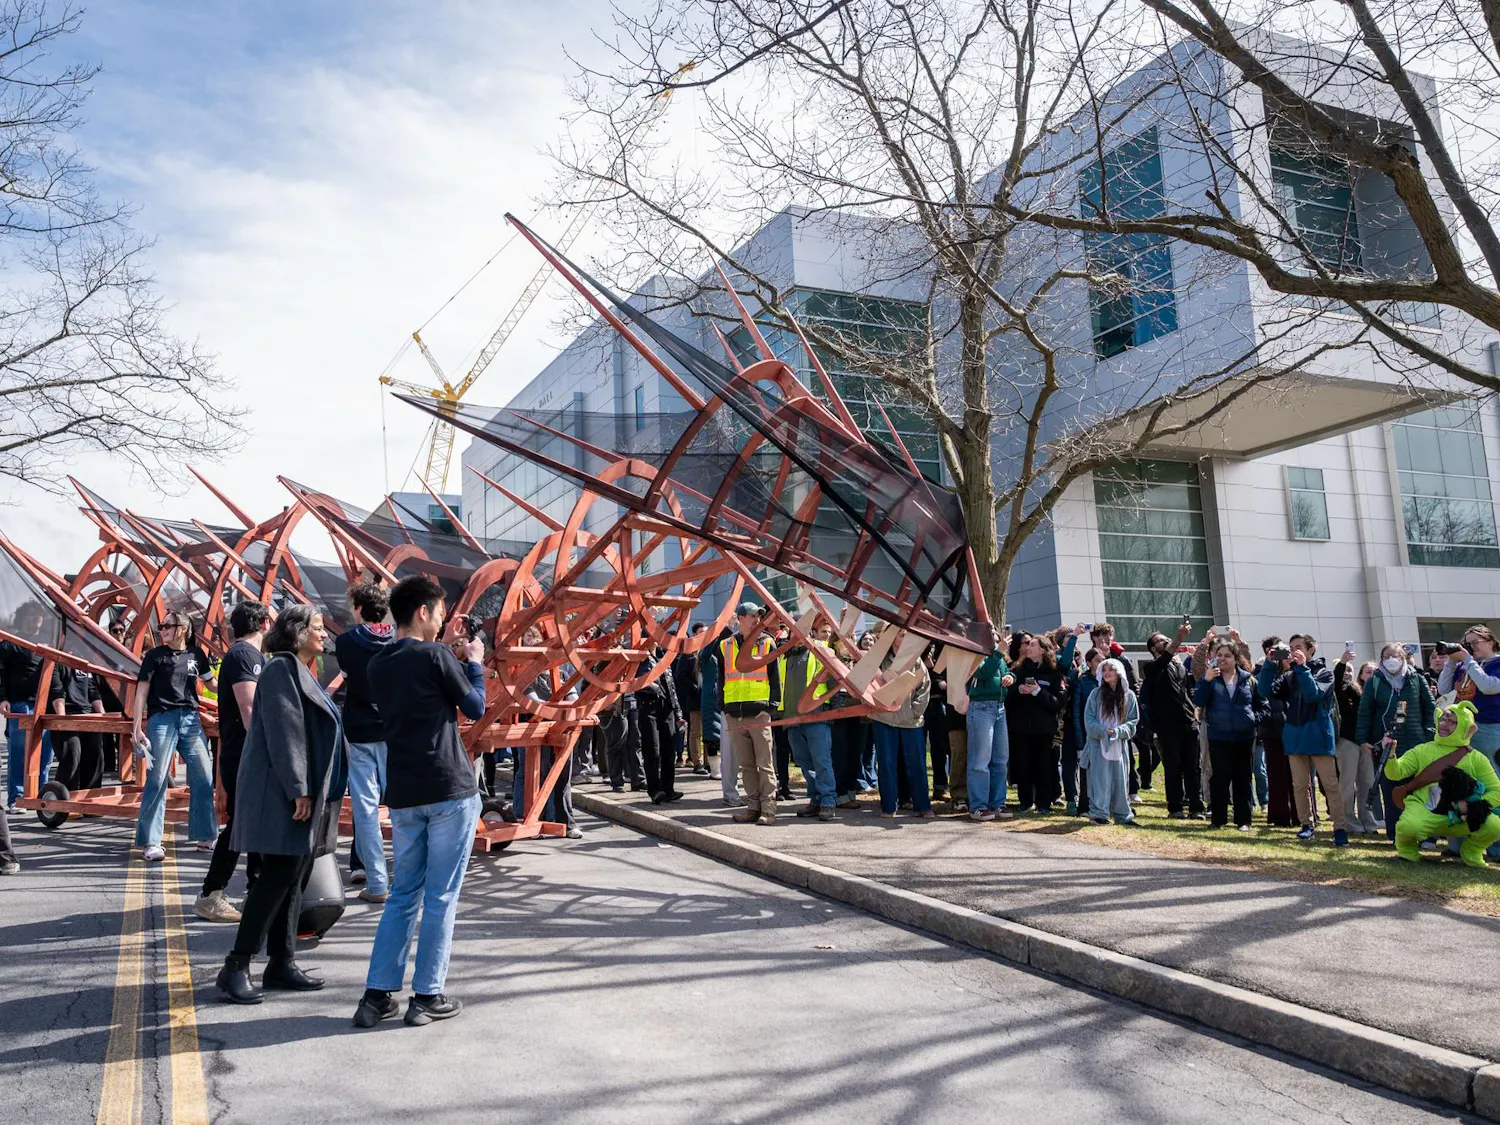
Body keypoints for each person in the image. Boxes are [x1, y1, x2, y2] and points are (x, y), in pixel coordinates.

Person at [354, 574, 485, 1029]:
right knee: (442, 895)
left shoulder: (378, 665)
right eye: (440, 612)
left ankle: (377, 995)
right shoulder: (437, 656)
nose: (444, 620)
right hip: (449, 787)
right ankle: (427, 995)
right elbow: (475, 708)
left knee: (403, 894)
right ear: (424, 611)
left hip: (405, 793)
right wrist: (474, 663)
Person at [215, 606, 343, 1005]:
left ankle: (281, 962)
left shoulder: (299, 669)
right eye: (318, 629)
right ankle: (235, 965)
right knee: (275, 878)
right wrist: (299, 788)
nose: (324, 636)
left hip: (294, 791)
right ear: (296, 632)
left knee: (292, 877)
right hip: (282, 792)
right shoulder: (280, 670)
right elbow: (287, 733)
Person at [194, 601, 270, 923]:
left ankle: (257, 889)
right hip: (246, 756)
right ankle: (211, 894)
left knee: (252, 824)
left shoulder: (245, 656)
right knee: (240, 825)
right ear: (265, 624)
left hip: (244, 754)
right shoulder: (245, 657)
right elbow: (249, 708)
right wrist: (270, 750)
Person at [131, 613, 216, 862]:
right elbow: (141, 692)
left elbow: (211, 685)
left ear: (183, 628)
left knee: (204, 775)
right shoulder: (155, 656)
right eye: (161, 626)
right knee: (157, 778)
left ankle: (205, 836)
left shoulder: (197, 655)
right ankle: (151, 841)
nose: (162, 630)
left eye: (168, 626)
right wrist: (137, 727)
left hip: (190, 718)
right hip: (162, 719)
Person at [1257, 634, 1350, 846]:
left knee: (1330, 785)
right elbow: (1264, 691)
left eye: (1298, 647)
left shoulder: (1324, 673)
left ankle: (1340, 828)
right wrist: (1271, 664)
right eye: (1290, 648)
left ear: (1311, 650)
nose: (1293, 651)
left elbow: (1313, 695)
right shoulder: (1289, 676)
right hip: (1295, 736)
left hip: (1318, 736)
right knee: (1299, 785)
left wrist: (1301, 668)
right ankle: (1306, 824)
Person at [1385, 701, 1500, 867]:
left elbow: (1497, 790)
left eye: (1451, 721)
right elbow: (1395, 773)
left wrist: (1473, 805)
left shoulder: (1476, 758)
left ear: (1468, 728)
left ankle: (1471, 850)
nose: (1444, 724)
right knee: (1409, 826)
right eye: (1442, 719)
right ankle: (1407, 848)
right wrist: (1390, 756)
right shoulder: (1422, 750)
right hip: (1426, 810)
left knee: (1494, 826)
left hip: (1462, 817)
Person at [334, 581, 393, 902]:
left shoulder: (346, 642)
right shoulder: (396, 641)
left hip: (358, 731)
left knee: (366, 809)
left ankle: (377, 881)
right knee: (401, 807)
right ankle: (409, 876)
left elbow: (346, 674)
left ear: (358, 607)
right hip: (393, 730)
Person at [1357, 640, 1437, 842]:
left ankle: (1425, 835)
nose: (1391, 660)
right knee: (1391, 789)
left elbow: (1430, 708)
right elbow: (1365, 712)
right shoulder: (1375, 681)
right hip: (1386, 744)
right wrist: (1363, 739)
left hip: (1417, 742)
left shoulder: (1417, 679)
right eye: (1386, 657)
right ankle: (1396, 834)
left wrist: (1429, 732)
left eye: (1395, 656)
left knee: (1420, 788)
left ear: (1404, 658)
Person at [718, 602, 782, 826]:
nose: (757, 620)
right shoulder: (725, 645)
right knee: (746, 765)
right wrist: (724, 707)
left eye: (759, 616)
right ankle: (753, 807)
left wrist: (770, 707)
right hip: (734, 712)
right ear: (740, 618)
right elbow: (721, 678)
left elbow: (775, 678)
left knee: (764, 764)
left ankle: (769, 809)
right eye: (753, 616)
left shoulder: (767, 643)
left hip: (758, 712)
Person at [1142, 619, 1205, 820]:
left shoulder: (1179, 667)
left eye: (1166, 639)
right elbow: (1165, 659)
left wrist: (1194, 712)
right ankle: (1175, 808)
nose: (1166, 641)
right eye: (1161, 641)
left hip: (1188, 722)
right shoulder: (1152, 667)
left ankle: (1196, 807)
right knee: (1173, 767)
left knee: (1193, 768)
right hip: (1167, 726)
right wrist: (1179, 638)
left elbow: (1185, 691)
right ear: (1153, 648)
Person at [1194, 640, 1259, 830]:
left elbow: (1262, 705)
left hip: (1244, 736)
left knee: (1243, 777)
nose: (1222, 659)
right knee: (1220, 778)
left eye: (1227, 656)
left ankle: (1243, 820)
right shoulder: (1210, 678)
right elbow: (1199, 700)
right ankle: (1219, 819)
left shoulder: (1248, 679)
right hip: (1219, 735)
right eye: (1219, 655)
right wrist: (1206, 680)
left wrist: (1253, 719)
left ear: (1235, 658)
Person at [782, 618, 838, 820]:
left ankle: (828, 801)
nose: (796, 635)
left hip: (816, 716)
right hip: (791, 718)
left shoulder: (822, 651)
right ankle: (816, 800)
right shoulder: (785, 656)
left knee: (821, 760)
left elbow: (836, 684)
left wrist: (833, 711)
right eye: (792, 632)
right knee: (804, 762)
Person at [2, 602, 55, 812]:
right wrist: (2, 698)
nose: (37, 620)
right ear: (22, 617)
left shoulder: (45, 643)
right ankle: (16, 797)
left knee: (46, 751)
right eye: (32, 616)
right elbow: (0, 673)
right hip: (19, 703)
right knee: (18, 750)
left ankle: (39, 793)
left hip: (44, 704)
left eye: (39, 617)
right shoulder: (10, 644)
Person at [1006, 632, 1065, 814]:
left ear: (1042, 650)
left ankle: (1044, 804)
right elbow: (1007, 698)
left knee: (1044, 767)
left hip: (1044, 729)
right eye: (1028, 644)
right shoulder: (1019, 670)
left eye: (1032, 645)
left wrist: (1038, 691)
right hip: (1021, 728)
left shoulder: (1054, 673)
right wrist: (1019, 691)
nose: (1028, 647)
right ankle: (1025, 802)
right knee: (1023, 765)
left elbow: (1057, 703)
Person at [871, 660, 934, 819]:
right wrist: (877, 707)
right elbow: (867, 685)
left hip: (911, 722)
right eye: (899, 634)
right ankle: (889, 807)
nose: (903, 637)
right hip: (883, 718)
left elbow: (924, 688)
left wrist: (914, 712)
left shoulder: (917, 661)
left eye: (905, 634)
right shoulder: (881, 659)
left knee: (917, 764)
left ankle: (923, 806)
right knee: (886, 763)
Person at [966, 624, 1014, 821]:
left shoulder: (998, 655)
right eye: (993, 638)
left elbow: (1005, 672)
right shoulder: (973, 653)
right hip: (981, 708)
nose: (996, 641)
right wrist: (999, 653)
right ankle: (978, 806)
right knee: (980, 760)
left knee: (1000, 760)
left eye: (997, 639)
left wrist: (1011, 677)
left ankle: (997, 803)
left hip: (999, 708)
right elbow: (983, 674)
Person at [1084, 658, 1140, 826]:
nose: (1107, 673)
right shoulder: (1095, 694)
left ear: (1119, 672)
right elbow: (1089, 719)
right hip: (1098, 745)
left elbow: (1132, 721)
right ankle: (1098, 813)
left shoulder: (1128, 696)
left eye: (1111, 670)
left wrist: (1118, 732)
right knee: (1099, 780)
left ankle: (1122, 815)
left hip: (1119, 745)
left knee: (1120, 781)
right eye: (1104, 670)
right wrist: (1102, 731)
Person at [1333, 657, 1382, 834]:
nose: (1347, 673)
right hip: (1347, 741)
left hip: (1366, 743)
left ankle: (1369, 823)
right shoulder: (1342, 690)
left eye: (1349, 670)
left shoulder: (1370, 692)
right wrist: (1342, 662)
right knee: (1347, 785)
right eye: (1344, 669)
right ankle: (1349, 822)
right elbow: (1337, 681)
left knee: (1368, 784)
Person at [1438, 626, 1500, 765]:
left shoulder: (1497, 663)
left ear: (1490, 642)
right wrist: (1452, 662)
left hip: (1490, 726)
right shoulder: (1464, 665)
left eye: (1475, 642)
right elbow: (1443, 690)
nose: (1471, 647)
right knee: (1469, 771)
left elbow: (1488, 687)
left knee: (1493, 770)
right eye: (1467, 644)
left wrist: (1467, 659)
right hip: (1461, 726)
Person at [1254, 636, 1297, 827]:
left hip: (1295, 730)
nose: (1283, 656)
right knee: (1277, 776)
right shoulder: (1265, 672)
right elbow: (1263, 691)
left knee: (1299, 777)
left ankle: (1300, 815)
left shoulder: (1296, 671)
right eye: (1275, 652)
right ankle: (1280, 817)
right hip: (1273, 732)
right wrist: (1270, 663)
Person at [50, 664, 104, 791]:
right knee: (72, 756)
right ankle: (64, 801)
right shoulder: (55, 663)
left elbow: (93, 692)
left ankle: (90, 803)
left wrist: (104, 717)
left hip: (87, 714)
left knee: (95, 756)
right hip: (67, 714)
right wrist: (62, 721)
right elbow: (57, 693)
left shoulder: (83, 663)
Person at [673, 624, 710, 775]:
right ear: (694, 635)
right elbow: (680, 676)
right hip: (695, 699)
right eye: (701, 633)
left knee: (709, 732)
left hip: (709, 699)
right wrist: (695, 689)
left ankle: (710, 762)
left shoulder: (710, 651)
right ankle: (697, 762)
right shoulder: (688, 654)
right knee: (696, 732)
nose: (704, 635)